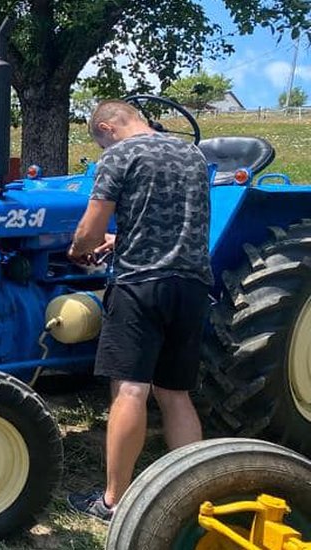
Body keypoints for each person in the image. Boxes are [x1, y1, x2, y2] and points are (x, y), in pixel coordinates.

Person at [66, 100, 212, 522]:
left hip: (141, 285)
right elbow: (167, 220)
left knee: (131, 390)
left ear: (108, 127)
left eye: (99, 140)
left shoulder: (120, 155)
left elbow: (91, 228)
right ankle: (195, 493)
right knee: (175, 394)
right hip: (191, 285)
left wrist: (80, 250)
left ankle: (113, 501)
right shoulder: (192, 154)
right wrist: (120, 240)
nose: (102, 147)